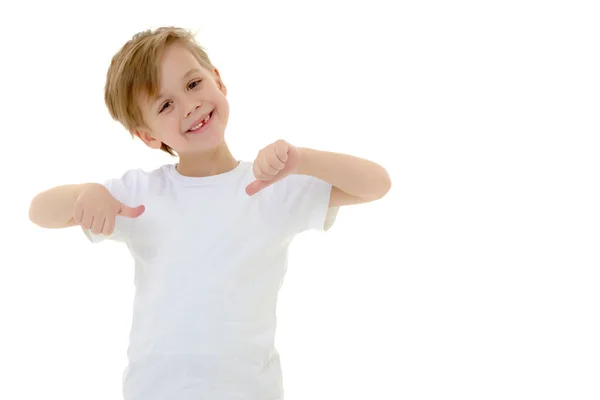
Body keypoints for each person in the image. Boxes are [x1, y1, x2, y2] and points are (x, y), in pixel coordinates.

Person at [28, 26, 391, 400]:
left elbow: (376, 184)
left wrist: (303, 160)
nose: (189, 106)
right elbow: (39, 211)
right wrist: (87, 194)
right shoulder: (142, 194)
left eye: (193, 85)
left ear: (217, 80)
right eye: (165, 105)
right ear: (149, 137)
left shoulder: (272, 185)